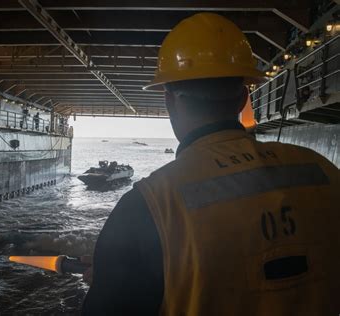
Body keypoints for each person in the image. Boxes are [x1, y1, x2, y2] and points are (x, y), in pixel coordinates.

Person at [82, 13, 340, 315]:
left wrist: (116, 278)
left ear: (169, 101)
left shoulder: (148, 205)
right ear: (244, 97)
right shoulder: (323, 171)